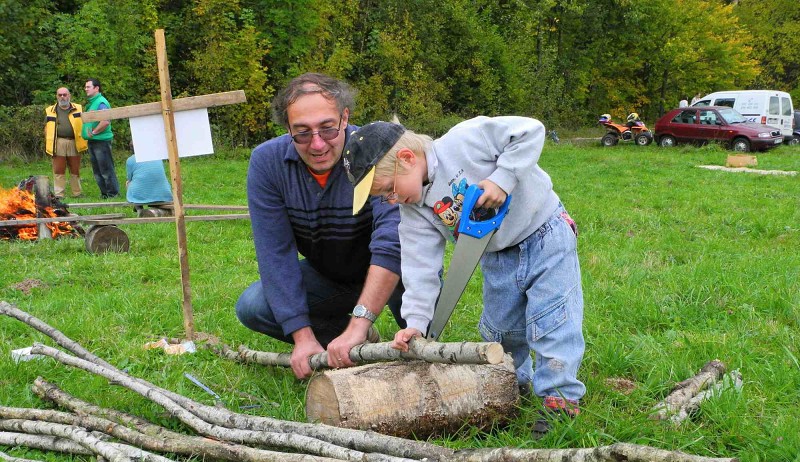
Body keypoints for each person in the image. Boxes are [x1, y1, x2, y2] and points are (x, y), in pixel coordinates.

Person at [343, 118, 585, 434]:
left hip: (544, 233)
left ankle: (560, 401)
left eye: (389, 190)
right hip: (496, 255)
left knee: (552, 320)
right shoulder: (414, 210)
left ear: (407, 159)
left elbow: (529, 130)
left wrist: (503, 179)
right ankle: (514, 383)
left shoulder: (465, 141)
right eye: (384, 197)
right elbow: (418, 267)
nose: (391, 200)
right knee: (501, 330)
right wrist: (416, 323)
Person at [235, 73, 405, 379]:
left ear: (345, 117)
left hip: (394, 271)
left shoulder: (378, 149)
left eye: (328, 129)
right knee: (252, 305)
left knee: (421, 337)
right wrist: (302, 337)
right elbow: (275, 255)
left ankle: (407, 340)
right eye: (302, 133)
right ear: (287, 128)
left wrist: (360, 319)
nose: (317, 144)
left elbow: (393, 241)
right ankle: (353, 344)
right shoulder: (267, 163)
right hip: (331, 276)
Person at [44, 87, 87, 199]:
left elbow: (85, 123)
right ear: (56, 96)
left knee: (75, 169)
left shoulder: (78, 108)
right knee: (59, 169)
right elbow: (46, 127)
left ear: (69, 95)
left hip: (74, 141)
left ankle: (77, 193)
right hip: (59, 142)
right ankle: (59, 194)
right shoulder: (50, 110)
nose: (62, 97)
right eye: (60, 95)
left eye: (65, 94)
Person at [82, 78, 120, 199]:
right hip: (93, 141)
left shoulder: (101, 102)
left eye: (88, 87)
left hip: (101, 141)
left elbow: (105, 121)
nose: (86, 89)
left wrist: (93, 132)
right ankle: (104, 194)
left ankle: (113, 194)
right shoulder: (93, 102)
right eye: (85, 87)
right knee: (98, 171)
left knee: (106, 169)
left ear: (97, 88)